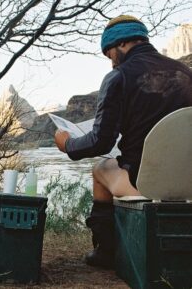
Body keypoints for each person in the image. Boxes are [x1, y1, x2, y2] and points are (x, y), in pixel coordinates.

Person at [54, 15, 192, 269]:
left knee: (101, 169)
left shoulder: (119, 77)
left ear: (120, 45)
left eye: (109, 55)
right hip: (189, 184)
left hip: (146, 184)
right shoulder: (187, 73)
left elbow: (101, 142)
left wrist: (68, 145)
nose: (111, 62)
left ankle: (105, 251)